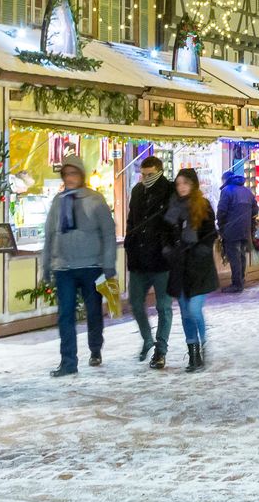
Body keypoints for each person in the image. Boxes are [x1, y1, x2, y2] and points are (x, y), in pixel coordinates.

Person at [41, 153, 117, 377]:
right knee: (65, 314)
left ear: (81, 175)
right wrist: (46, 265)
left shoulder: (95, 200)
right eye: (66, 174)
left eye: (73, 173)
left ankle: (95, 348)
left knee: (93, 311)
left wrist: (108, 263)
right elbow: (49, 234)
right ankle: (68, 361)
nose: (70, 177)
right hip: (63, 267)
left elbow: (108, 233)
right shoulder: (58, 201)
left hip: (91, 265)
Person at [164, 167, 219, 372]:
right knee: (186, 313)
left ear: (193, 184)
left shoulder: (203, 206)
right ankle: (193, 353)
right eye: (178, 184)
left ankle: (203, 342)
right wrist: (168, 249)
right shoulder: (172, 208)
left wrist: (201, 249)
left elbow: (210, 232)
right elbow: (166, 234)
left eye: (185, 183)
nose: (181, 187)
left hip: (199, 267)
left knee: (194, 309)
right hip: (179, 266)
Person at [124, 154, 175, 369]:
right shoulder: (136, 191)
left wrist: (168, 246)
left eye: (150, 174)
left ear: (160, 171)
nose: (145, 178)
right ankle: (147, 338)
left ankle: (160, 351)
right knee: (135, 303)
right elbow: (131, 220)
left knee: (163, 307)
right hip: (139, 259)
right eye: (143, 174)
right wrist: (129, 243)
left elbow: (175, 221)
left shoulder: (170, 190)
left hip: (161, 260)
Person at [216, 168, 258, 293]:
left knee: (234, 257)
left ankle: (237, 284)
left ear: (225, 180)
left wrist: (222, 225)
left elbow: (221, 211)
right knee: (241, 256)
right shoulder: (247, 191)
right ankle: (241, 279)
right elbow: (256, 210)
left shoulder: (226, 191)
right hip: (245, 229)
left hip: (231, 229)